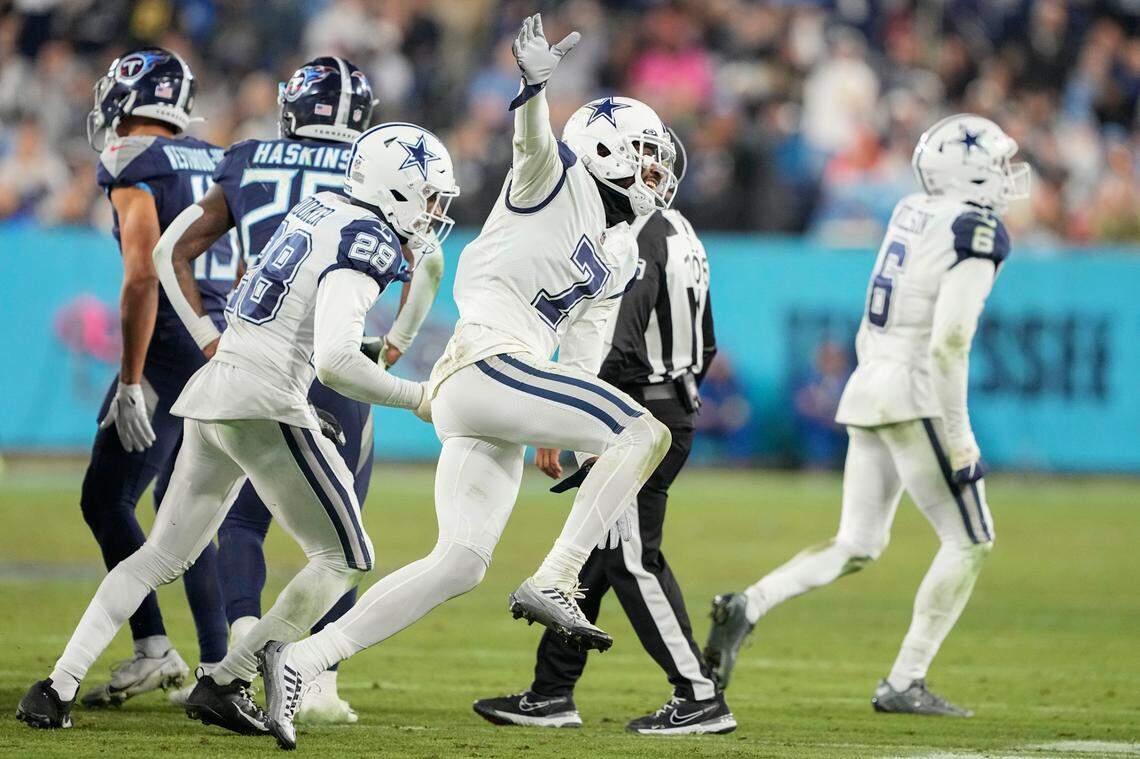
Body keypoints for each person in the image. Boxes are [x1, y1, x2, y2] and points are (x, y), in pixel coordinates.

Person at [254, 14, 677, 750]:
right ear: (603, 147)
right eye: (641, 153)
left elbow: (582, 354)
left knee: (459, 562)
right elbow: (532, 142)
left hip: (502, 390)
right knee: (647, 430)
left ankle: (304, 659)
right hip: (488, 362)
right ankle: (557, 577)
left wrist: (561, 437)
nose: (653, 169)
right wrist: (534, 88)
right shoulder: (558, 177)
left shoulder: (622, 251)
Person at [15, 121, 454, 734]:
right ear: (397, 189)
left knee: (161, 553)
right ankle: (227, 681)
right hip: (266, 403)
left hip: (217, 389)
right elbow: (336, 360)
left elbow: (307, 325)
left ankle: (54, 687)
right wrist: (420, 396)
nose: (434, 212)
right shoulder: (367, 240)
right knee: (347, 557)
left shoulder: (318, 208)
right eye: (431, 196)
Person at [705, 114, 1029, 717]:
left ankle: (749, 604)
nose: (1008, 173)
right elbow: (949, 342)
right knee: (971, 539)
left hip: (870, 381)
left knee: (859, 542)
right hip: (916, 389)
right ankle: (905, 680)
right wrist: (959, 437)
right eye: (998, 160)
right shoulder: (976, 227)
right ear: (972, 168)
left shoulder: (912, 209)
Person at [152, 56, 443, 723]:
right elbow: (426, 264)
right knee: (344, 539)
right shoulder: (374, 180)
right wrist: (397, 349)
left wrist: (207, 333)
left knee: (241, 523)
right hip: (322, 368)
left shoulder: (253, 157)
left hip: (246, 353)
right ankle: (311, 677)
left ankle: (224, 657)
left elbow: (174, 248)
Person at [472, 129, 736, 735]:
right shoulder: (683, 232)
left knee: (631, 559)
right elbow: (708, 340)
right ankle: (550, 692)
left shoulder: (635, 236)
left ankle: (698, 695)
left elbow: (618, 339)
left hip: (634, 411)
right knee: (595, 554)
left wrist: (582, 419)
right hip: (669, 402)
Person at [65, 47, 234, 710]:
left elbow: (141, 273)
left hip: (166, 349)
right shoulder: (217, 156)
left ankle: (155, 648)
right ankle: (219, 661)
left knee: (106, 499)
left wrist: (133, 378)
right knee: (184, 509)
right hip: (219, 342)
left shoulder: (133, 158)